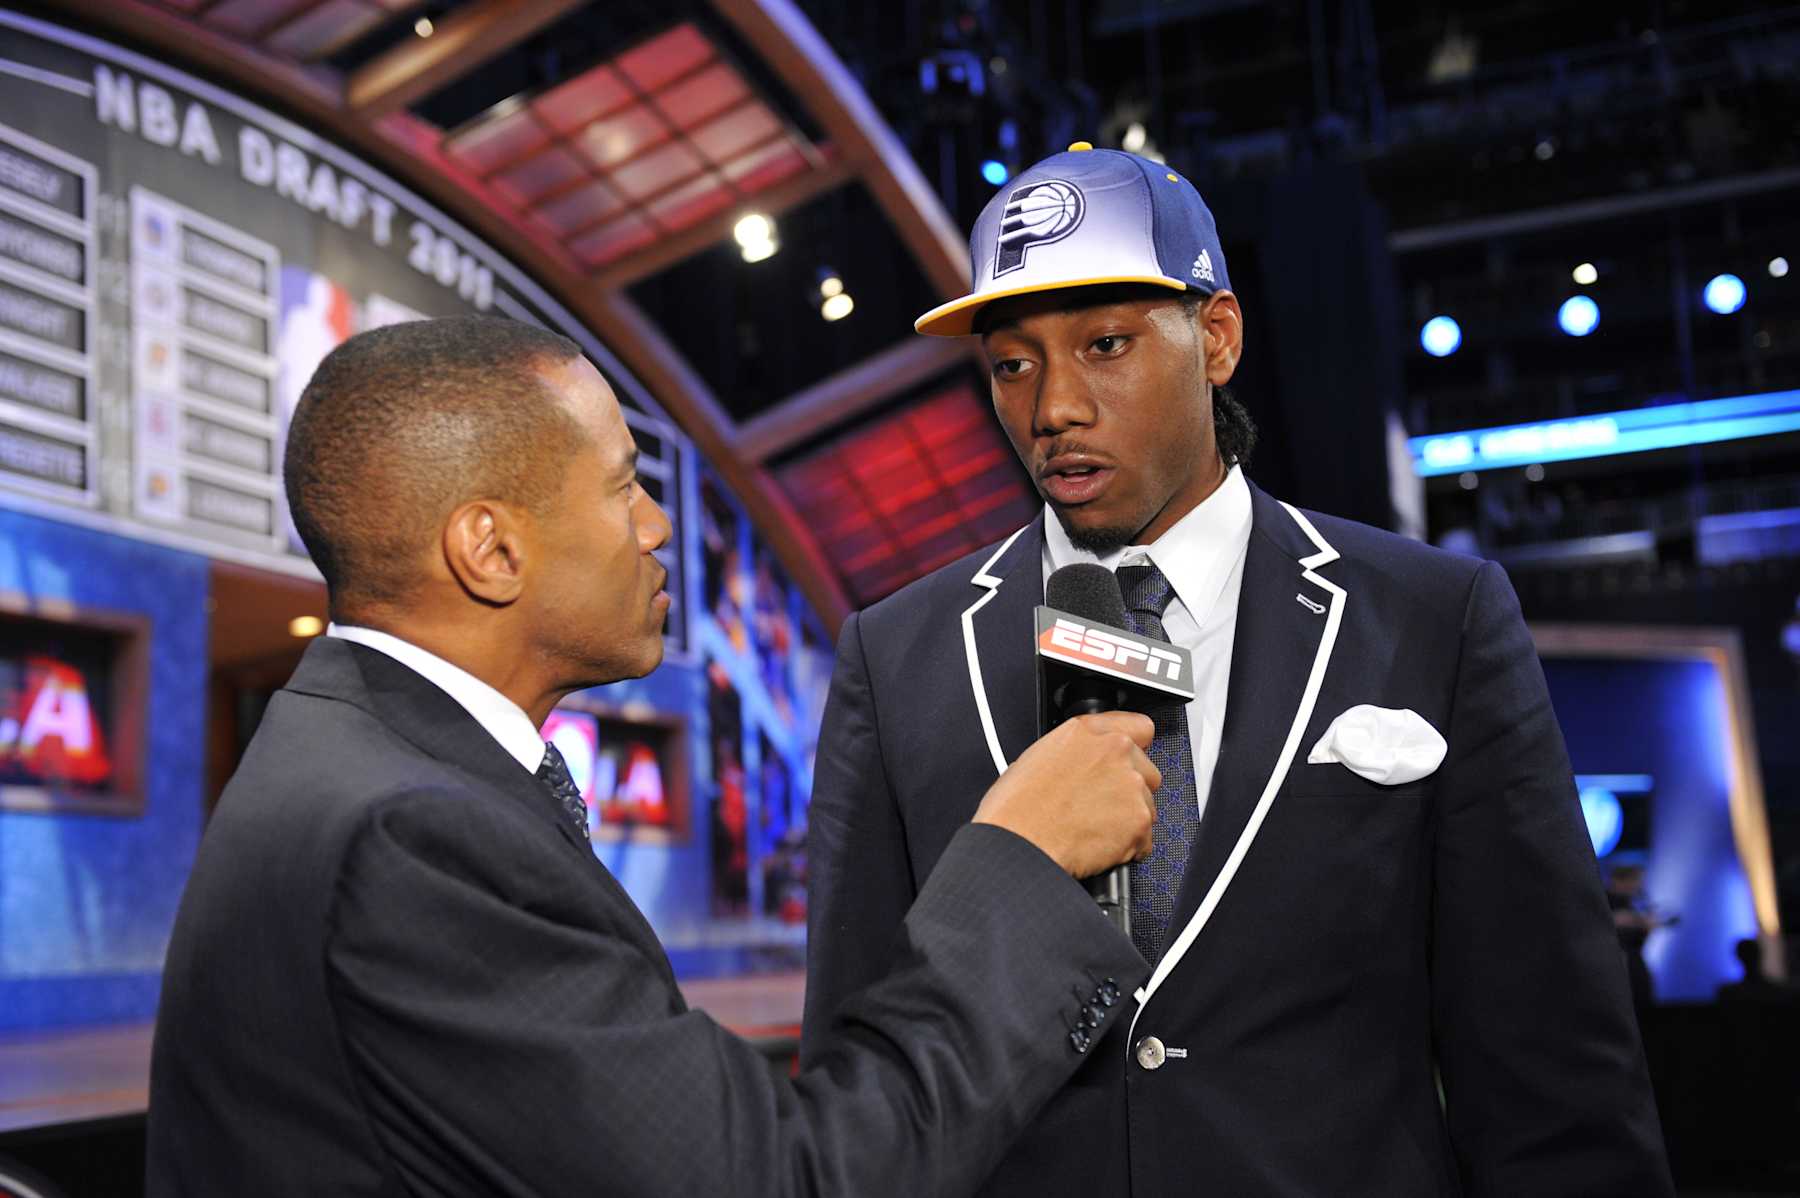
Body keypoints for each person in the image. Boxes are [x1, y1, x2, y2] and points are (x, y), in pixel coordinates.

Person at [801, 144, 1674, 1196]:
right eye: (1012, 362)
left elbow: (1553, 1073)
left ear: (1215, 339)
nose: (1053, 408)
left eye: (1106, 344)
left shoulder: (1432, 618)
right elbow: (858, 1067)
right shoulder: (898, 656)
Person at [146, 316, 1162, 1196]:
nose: (659, 523)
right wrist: (1018, 863)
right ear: (490, 550)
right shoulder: (411, 836)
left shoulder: (356, 756)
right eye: (623, 485)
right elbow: (782, 1183)